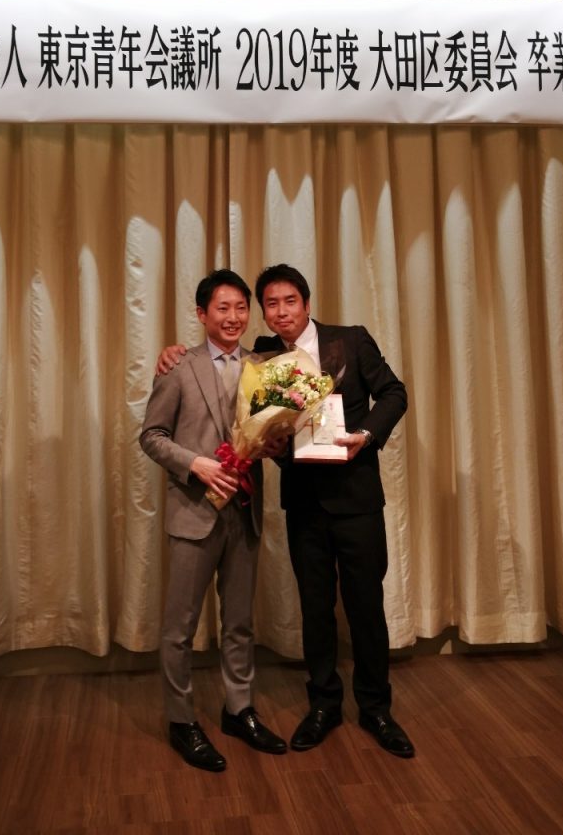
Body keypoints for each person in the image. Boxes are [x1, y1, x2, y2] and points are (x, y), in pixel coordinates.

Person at [157, 263, 415, 759]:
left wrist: (366, 435)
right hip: (304, 503)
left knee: (365, 607)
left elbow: (394, 393)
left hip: (357, 499)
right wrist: (170, 353)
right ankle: (323, 705)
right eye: (270, 304)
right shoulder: (263, 356)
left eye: (289, 301)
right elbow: (242, 408)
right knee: (314, 608)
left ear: (306, 303)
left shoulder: (351, 340)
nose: (280, 312)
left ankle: (376, 709)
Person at [140, 268, 286, 772]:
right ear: (202, 314)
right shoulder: (178, 366)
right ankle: (181, 720)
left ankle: (239, 710)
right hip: (194, 513)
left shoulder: (262, 368)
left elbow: (270, 435)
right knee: (179, 628)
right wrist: (195, 464)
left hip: (243, 513)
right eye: (222, 308)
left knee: (240, 623)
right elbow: (152, 436)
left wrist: (274, 443)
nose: (233, 317)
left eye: (241, 308)